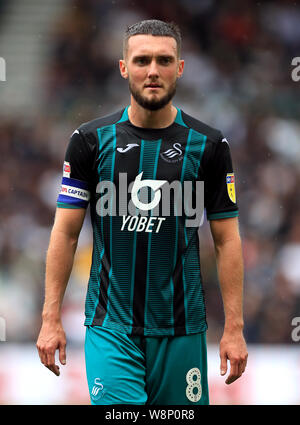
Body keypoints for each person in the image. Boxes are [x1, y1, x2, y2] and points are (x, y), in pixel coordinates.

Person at [36, 19, 248, 405]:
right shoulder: (88, 141)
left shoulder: (210, 146)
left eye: (164, 60)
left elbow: (227, 239)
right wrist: (50, 318)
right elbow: (65, 233)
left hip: (182, 329)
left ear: (179, 68)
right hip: (110, 326)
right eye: (142, 60)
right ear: (123, 68)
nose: (153, 71)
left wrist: (234, 326)